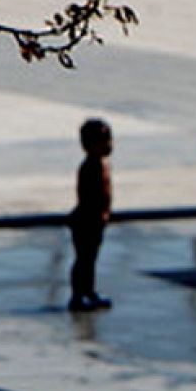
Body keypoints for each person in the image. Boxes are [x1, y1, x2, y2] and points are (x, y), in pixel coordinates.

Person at [67, 118, 114, 312]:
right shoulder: (90, 166)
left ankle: (89, 291)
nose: (109, 145)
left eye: (110, 139)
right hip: (86, 219)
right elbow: (87, 195)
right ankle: (78, 295)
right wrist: (99, 213)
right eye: (103, 141)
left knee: (90, 258)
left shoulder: (102, 163)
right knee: (84, 259)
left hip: (95, 218)